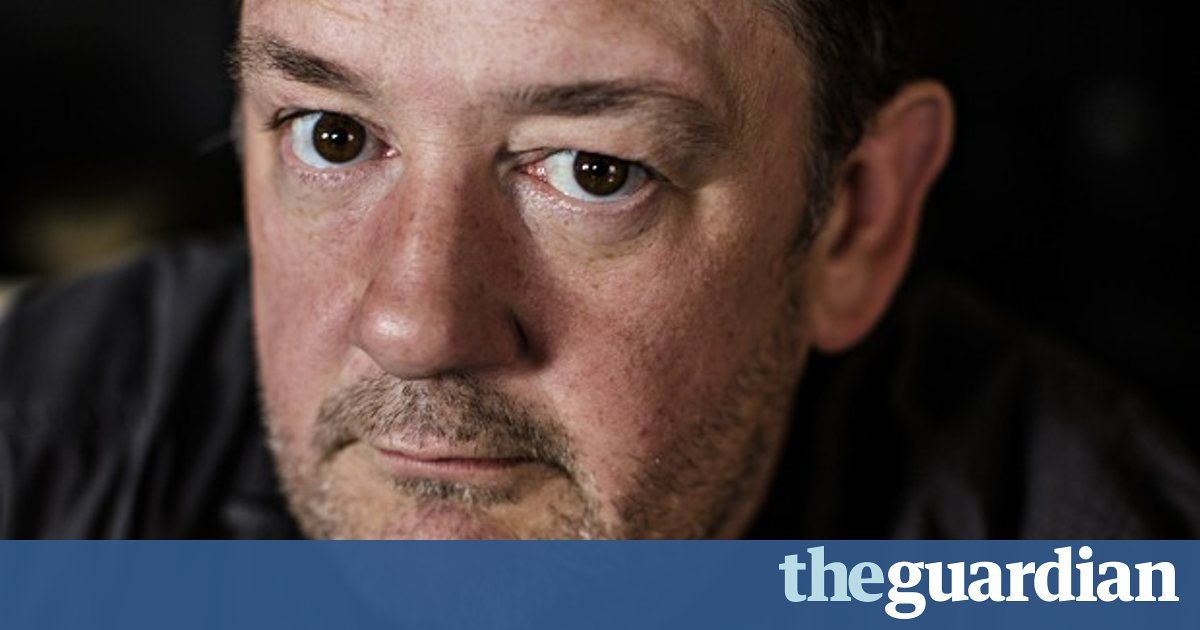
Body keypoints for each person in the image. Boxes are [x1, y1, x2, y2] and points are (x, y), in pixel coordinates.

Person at [0, 0, 1196, 539]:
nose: (414, 325)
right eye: (335, 137)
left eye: (594, 169)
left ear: (853, 224)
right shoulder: (48, 452)